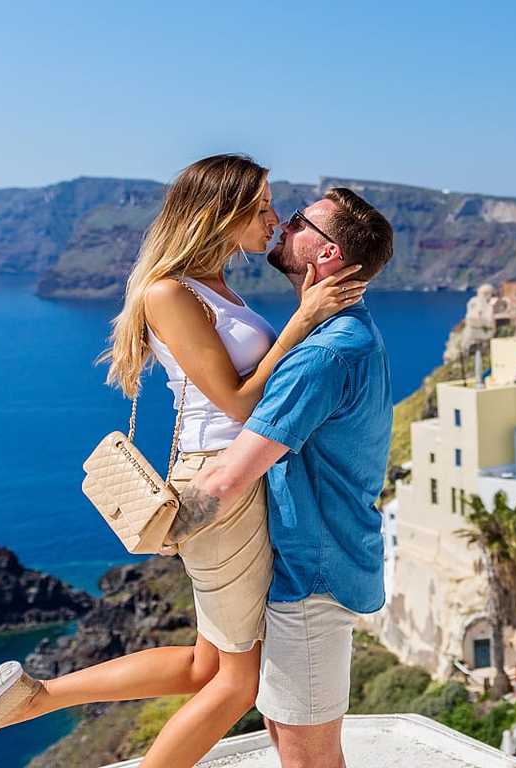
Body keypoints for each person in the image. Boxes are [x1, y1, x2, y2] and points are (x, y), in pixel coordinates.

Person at [0, 155, 368, 766]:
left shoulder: (217, 287)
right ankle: (34, 699)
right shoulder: (170, 293)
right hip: (224, 479)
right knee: (236, 682)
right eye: (263, 205)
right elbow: (240, 403)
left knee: (206, 663)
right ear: (221, 210)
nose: (273, 218)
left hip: (236, 476)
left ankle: (31, 697)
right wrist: (301, 322)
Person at [169, 185, 395, 768]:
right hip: (303, 564)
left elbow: (231, 476)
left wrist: (162, 532)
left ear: (327, 257)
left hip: (312, 576)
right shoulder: (337, 334)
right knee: (284, 734)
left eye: (299, 221)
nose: (281, 225)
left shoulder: (327, 353)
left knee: (307, 759)